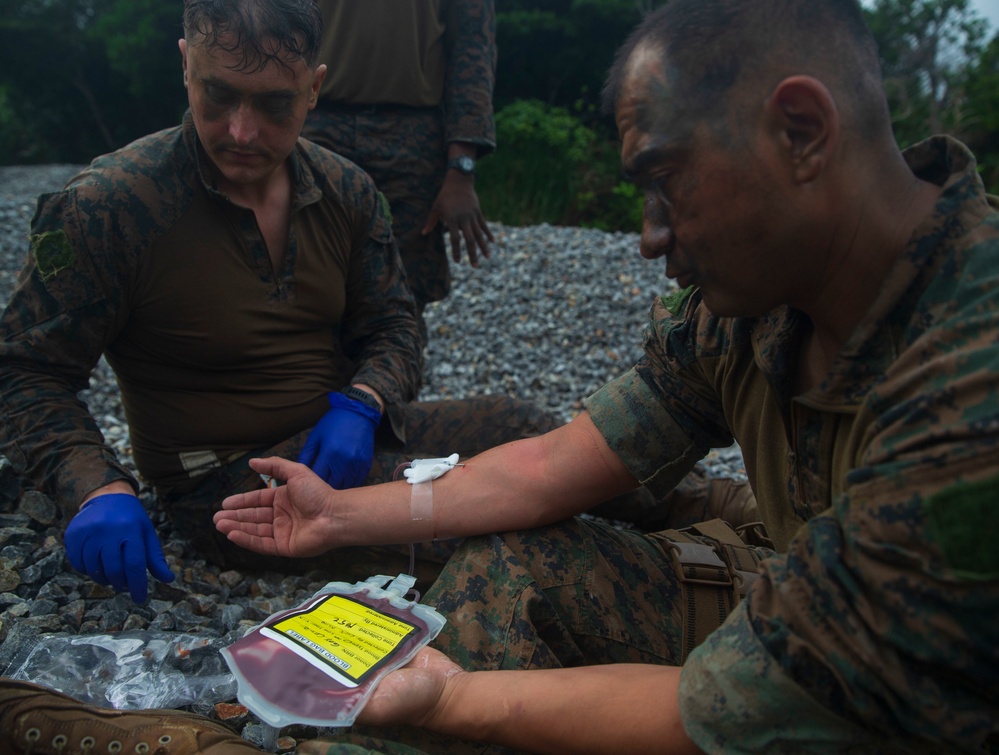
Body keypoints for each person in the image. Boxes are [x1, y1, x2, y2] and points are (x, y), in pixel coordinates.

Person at [212, 0, 999, 752]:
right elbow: (553, 464)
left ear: (800, 131)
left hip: (918, 707)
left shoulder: (972, 377)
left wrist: (455, 701)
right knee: (517, 566)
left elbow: (754, 706)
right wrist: (339, 517)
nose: (650, 236)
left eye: (665, 180)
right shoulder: (749, 306)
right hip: (809, 609)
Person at [0, 0, 556, 606]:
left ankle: (676, 512)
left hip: (349, 441)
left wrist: (365, 403)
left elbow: (394, 324)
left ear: (314, 88)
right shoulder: (109, 207)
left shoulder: (346, 190)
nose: (242, 131)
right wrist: (95, 486)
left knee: (527, 432)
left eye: (273, 104)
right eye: (219, 95)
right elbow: (26, 369)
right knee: (499, 528)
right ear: (186, 67)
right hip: (231, 484)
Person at [300, 0, 497, 340]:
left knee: (400, 301)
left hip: (413, 138)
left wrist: (462, 168)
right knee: (304, 288)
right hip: (315, 121)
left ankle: (389, 392)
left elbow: (472, 45)